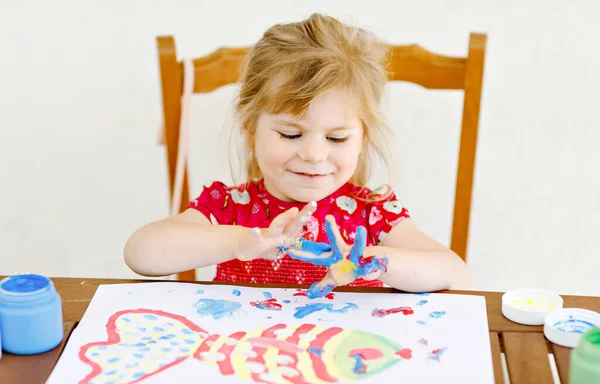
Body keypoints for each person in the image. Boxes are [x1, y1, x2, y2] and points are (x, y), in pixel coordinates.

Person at [124, 13, 470, 294]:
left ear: (362, 138)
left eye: (336, 138)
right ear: (250, 128)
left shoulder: (372, 214)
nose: (314, 154)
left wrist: (374, 260)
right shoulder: (230, 209)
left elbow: (456, 275)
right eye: (291, 133)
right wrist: (244, 242)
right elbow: (141, 252)